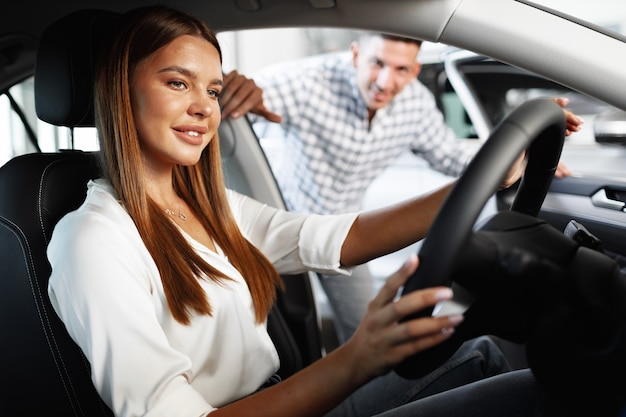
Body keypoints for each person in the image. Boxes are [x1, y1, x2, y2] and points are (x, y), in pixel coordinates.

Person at [46, 5, 571, 417]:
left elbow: (342, 237)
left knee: (477, 353)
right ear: (121, 89)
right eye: (178, 82)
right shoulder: (94, 239)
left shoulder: (210, 207)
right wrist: (355, 359)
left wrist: (488, 178)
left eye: (213, 89)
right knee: (536, 397)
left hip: (287, 399)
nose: (206, 107)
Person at [220, 33, 584, 343]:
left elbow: (451, 155)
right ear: (356, 55)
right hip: (286, 222)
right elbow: (253, 94)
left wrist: (518, 153)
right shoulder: (306, 82)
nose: (385, 81)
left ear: (415, 69)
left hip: (349, 228)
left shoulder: (416, 107)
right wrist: (241, 90)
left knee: (367, 332)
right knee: (266, 332)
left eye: (401, 69)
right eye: (377, 63)